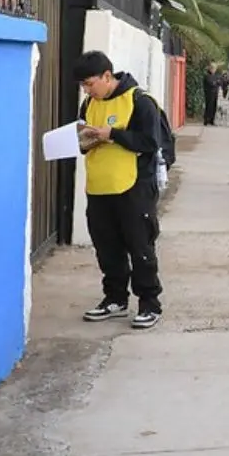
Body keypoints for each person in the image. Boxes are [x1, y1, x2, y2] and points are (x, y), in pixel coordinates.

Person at [74, 50, 165, 330]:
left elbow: (150, 141)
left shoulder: (139, 101)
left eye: (90, 84)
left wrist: (111, 135)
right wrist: (88, 140)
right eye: (83, 86)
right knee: (107, 247)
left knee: (140, 246)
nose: (87, 90)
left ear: (107, 76)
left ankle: (150, 303)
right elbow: (80, 143)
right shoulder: (89, 104)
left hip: (133, 187)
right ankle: (115, 299)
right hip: (99, 187)